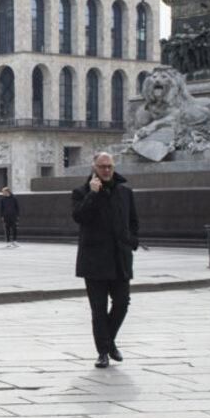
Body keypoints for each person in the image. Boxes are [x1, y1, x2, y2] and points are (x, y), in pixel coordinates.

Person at [72, 152, 139, 368]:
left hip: (120, 258)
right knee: (98, 309)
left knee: (122, 303)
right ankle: (103, 352)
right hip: (94, 260)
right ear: (94, 167)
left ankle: (108, 342)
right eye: (102, 167)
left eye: (109, 166)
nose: (107, 170)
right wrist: (93, 194)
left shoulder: (125, 191)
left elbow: (133, 221)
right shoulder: (81, 192)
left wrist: (132, 241)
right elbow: (80, 217)